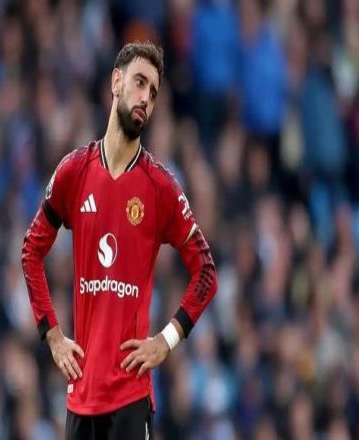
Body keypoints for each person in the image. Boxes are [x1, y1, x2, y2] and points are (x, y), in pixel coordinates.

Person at [21, 41, 218, 439]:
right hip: (81, 396)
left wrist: (167, 339)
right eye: (139, 82)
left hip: (131, 396)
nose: (145, 97)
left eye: (153, 92)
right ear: (116, 82)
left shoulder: (160, 188)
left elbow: (206, 273)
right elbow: (31, 252)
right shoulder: (74, 172)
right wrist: (53, 335)